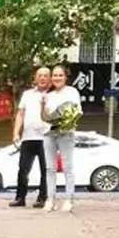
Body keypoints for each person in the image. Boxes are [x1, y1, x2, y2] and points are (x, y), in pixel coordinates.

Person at [41, 64, 82, 213]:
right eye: (54, 75)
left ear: (65, 77)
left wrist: (64, 122)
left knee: (67, 167)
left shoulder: (72, 92)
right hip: (49, 134)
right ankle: (50, 199)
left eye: (60, 75)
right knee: (50, 168)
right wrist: (43, 106)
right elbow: (44, 117)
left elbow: (76, 112)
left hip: (66, 133)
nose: (57, 78)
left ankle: (69, 199)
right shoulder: (48, 95)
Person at [10, 66, 50, 208]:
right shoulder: (27, 94)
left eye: (46, 75)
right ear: (35, 78)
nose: (43, 78)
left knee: (45, 170)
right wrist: (16, 132)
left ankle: (42, 198)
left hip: (47, 138)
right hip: (28, 137)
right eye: (40, 75)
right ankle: (20, 198)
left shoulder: (54, 94)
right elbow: (20, 114)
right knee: (23, 169)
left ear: (50, 78)